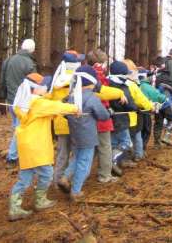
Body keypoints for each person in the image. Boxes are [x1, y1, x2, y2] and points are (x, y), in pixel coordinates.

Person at [8, 73, 79, 221]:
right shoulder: (39, 104)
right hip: (35, 146)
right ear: (35, 89)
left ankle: (16, 206)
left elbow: (47, 104)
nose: (46, 88)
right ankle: (39, 201)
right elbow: (57, 106)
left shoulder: (28, 101)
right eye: (43, 86)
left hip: (27, 145)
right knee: (46, 173)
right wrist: (75, 108)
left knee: (25, 177)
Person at [66, 65, 110, 201]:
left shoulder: (71, 96)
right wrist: (109, 113)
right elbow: (103, 115)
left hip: (74, 134)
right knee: (84, 163)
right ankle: (76, 191)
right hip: (88, 136)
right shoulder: (92, 97)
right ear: (92, 81)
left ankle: (64, 178)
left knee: (76, 158)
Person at [87, 49, 127, 183]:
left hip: (90, 115)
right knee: (105, 146)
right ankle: (104, 175)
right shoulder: (98, 75)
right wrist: (119, 93)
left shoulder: (86, 74)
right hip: (100, 114)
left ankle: (71, 176)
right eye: (103, 62)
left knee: (89, 148)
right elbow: (102, 93)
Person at [0, 39, 37, 164]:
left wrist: (3, 94)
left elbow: (2, 80)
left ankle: (18, 153)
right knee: (20, 128)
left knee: (17, 127)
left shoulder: (9, 60)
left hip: (11, 100)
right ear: (32, 50)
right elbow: (35, 83)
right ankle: (12, 157)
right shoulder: (29, 63)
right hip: (23, 102)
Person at [50, 50, 84, 186]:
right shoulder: (78, 78)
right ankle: (70, 180)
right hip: (76, 121)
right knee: (76, 153)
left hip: (60, 123)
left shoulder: (57, 79)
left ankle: (56, 181)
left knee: (62, 155)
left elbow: (51, 100)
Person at [108, 61, 138, 173]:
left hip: (110, 119)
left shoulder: (107, 83)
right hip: (121, 120)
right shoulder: (122, 86)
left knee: (114, 143)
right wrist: (136, 108)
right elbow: (130, 104)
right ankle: (112, 161)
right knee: (126, 143)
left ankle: (114, 164)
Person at [123, 59, 154, 162]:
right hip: (134, 116)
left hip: (120, 117)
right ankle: (137, 154)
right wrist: (150, 107)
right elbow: (142, 100)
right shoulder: (132, 85)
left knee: (126, 137)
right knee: (136, 135)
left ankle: (129, 156)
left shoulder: (114, 82)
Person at [153, 56, 172, 147]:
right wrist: (168, 87)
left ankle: (156, 143)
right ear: (163, 65)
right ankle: (166, 137)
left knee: (158, 122)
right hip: (166, 102)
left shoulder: (152, 76)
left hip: (155, 103)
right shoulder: (166, 75)